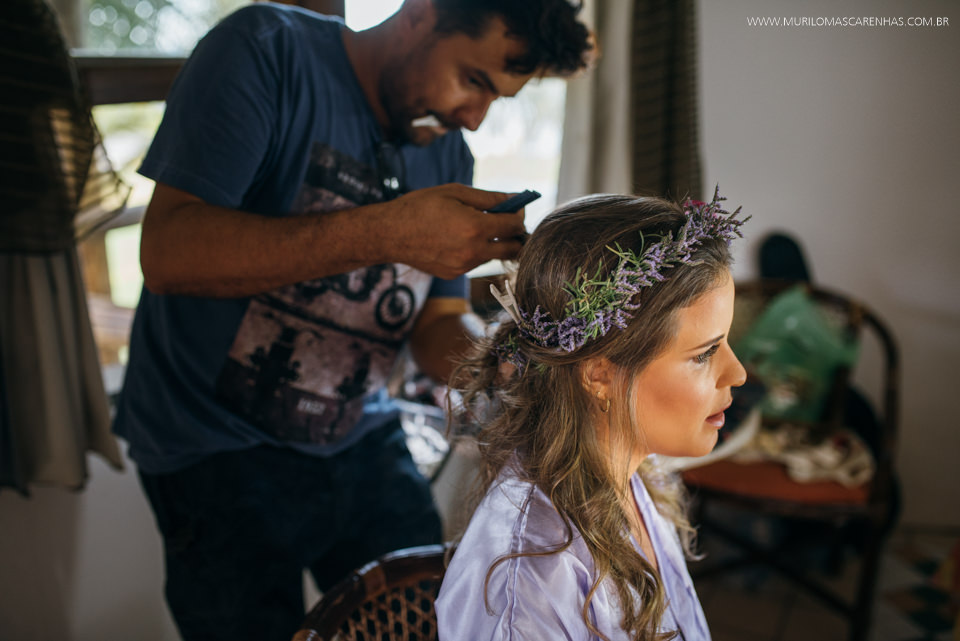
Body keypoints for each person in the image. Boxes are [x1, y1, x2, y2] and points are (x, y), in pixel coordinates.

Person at [112, 1, 593, 639]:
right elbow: (167, 254)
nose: (473, 118)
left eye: (495, 99)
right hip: (214, 445)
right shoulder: (266, 52)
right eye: (472, 80)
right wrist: (387, 232)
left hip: (360, 433)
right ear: (420, 13)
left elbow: (437, 321)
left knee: (430, 617)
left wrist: (502, 364)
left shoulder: (448, 157)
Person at [436, 189, 750, 640]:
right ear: (600, 374)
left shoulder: (634, 480)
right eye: (704, 354)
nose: (738, 374)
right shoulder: (532, 585)